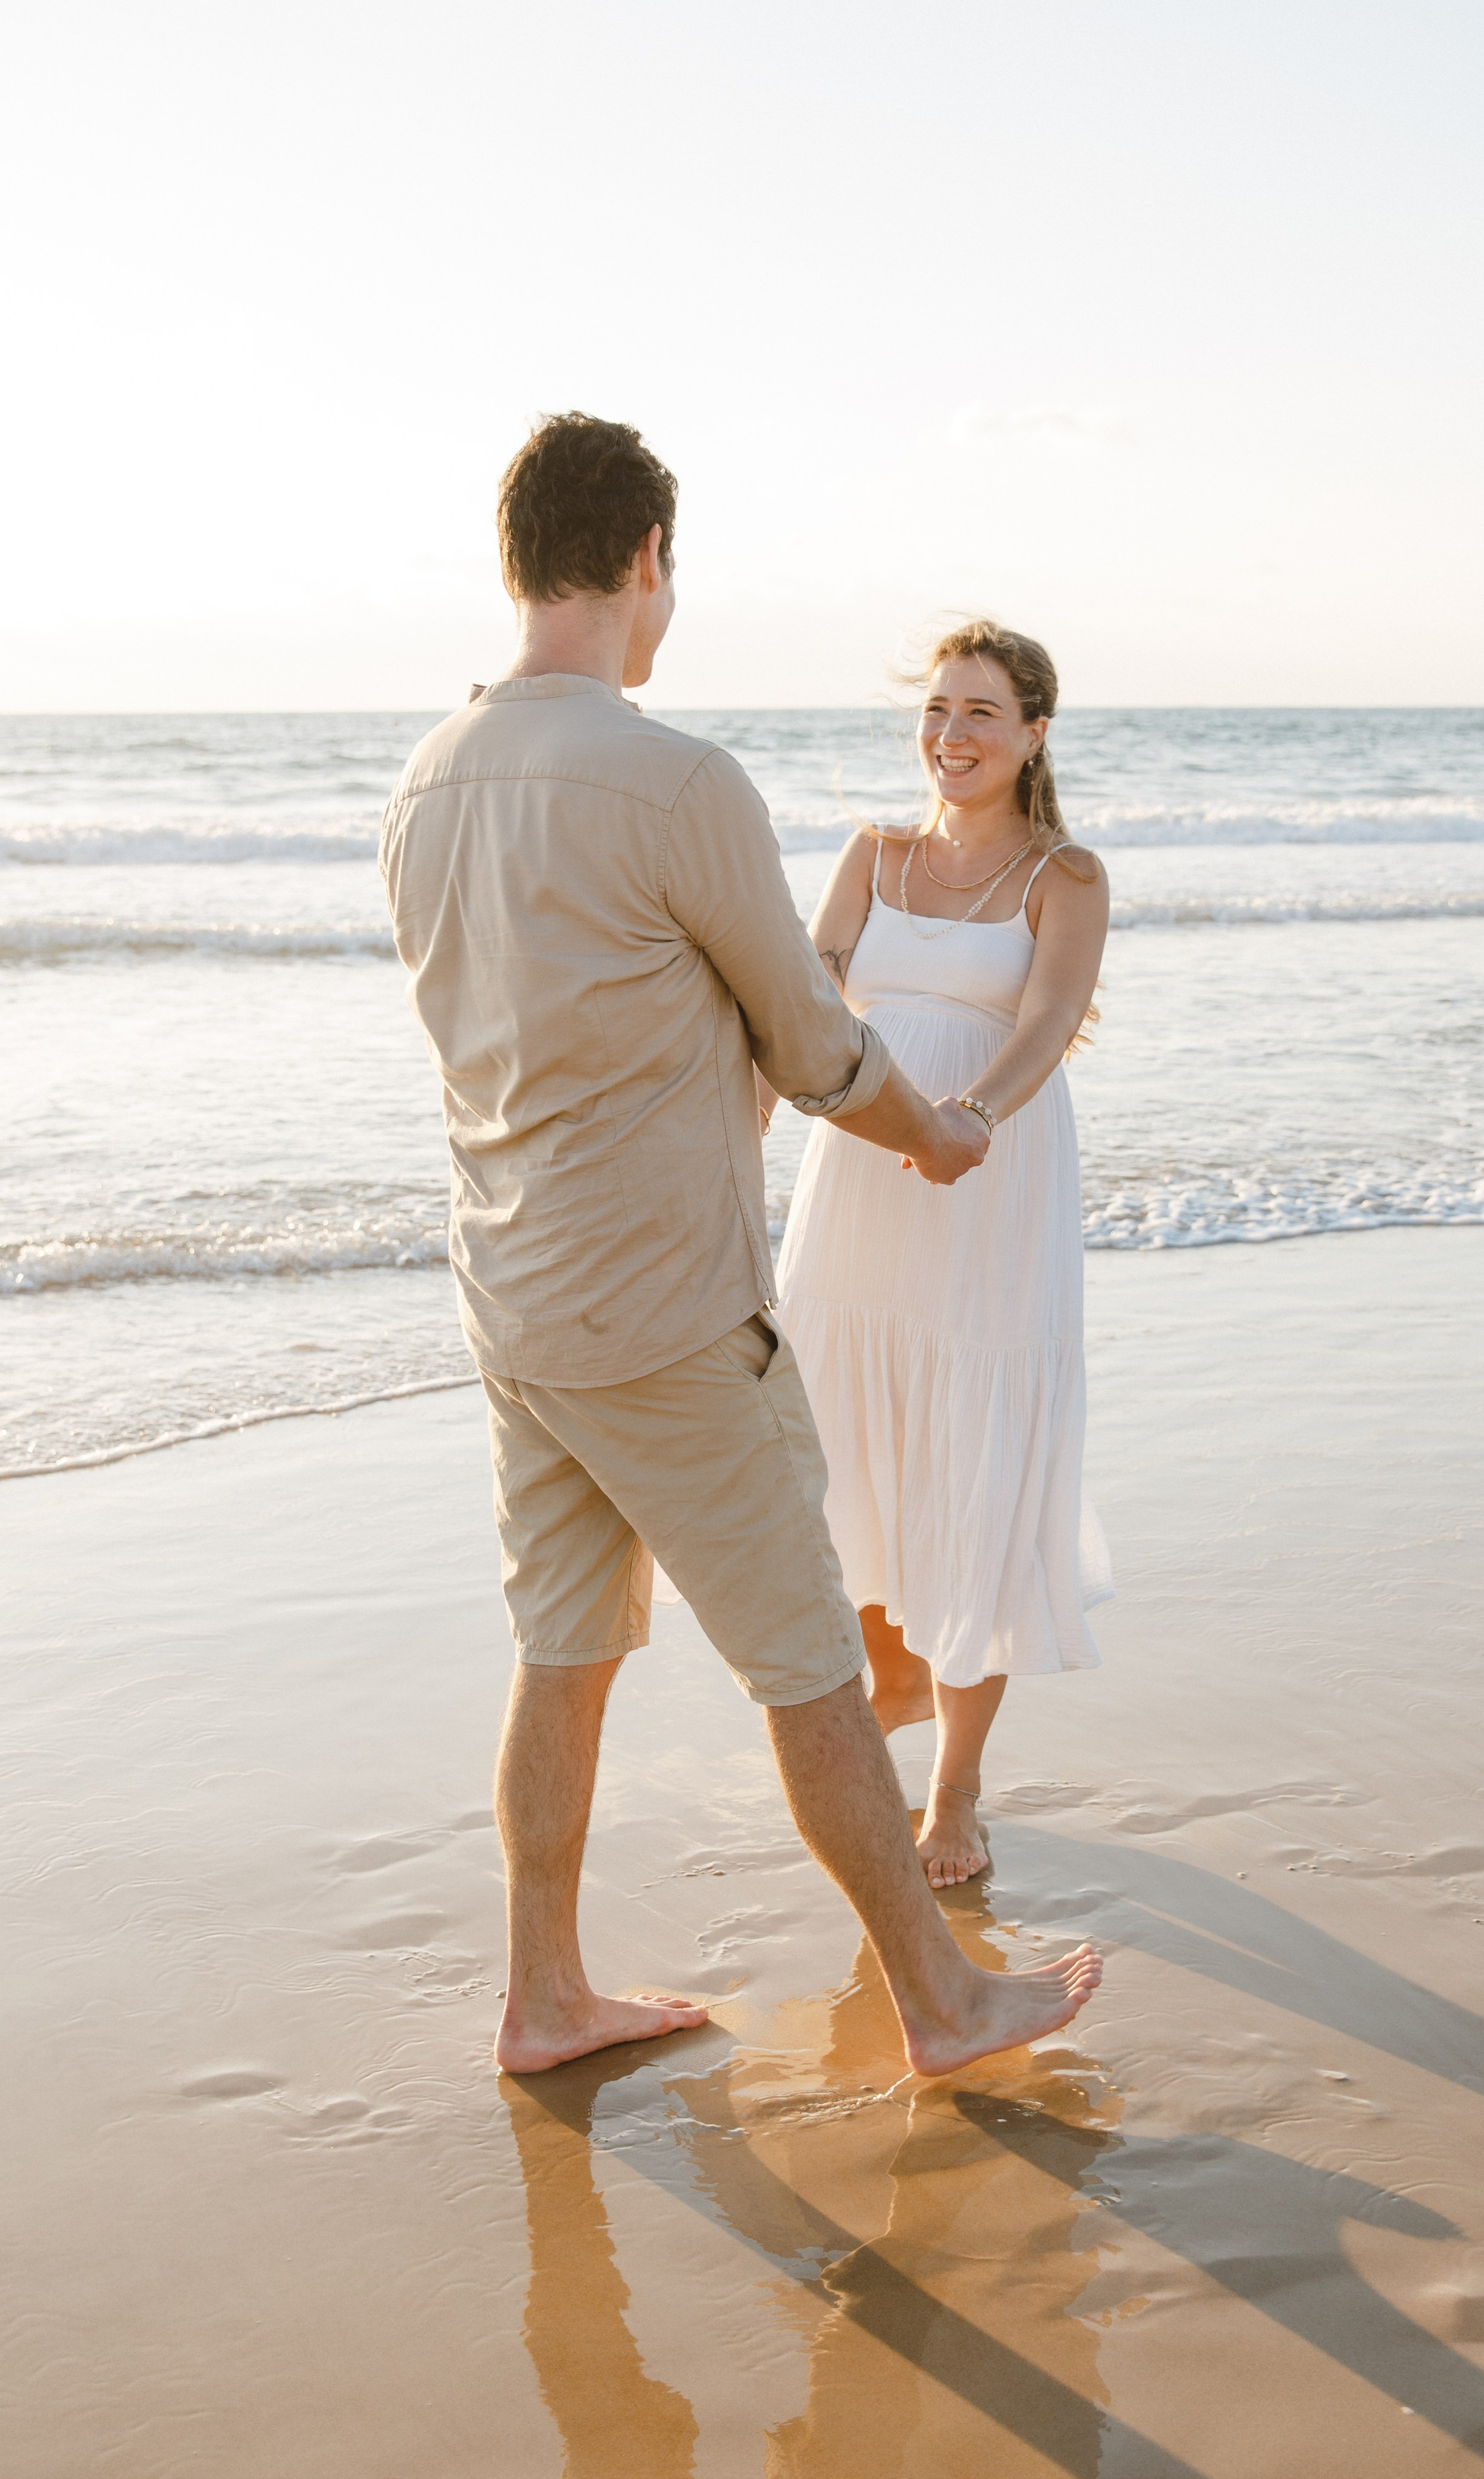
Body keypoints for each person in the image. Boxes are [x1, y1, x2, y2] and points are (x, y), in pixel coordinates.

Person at [380, 415, 1101, 2076]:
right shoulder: (677, 780)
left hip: (510, 1297)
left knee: (561, 1653)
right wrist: (933, 1130)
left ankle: (544, 1998)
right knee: (809, 1665)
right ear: (646, 559)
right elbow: (811, 1038)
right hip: (667, 1305)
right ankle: (942, 2002)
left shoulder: (424, 779)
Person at [768, 621, 1113, 1890]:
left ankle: (955, 1790)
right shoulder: (874, 852)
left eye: (980, 713)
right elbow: (804, 994)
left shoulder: (1063, 874)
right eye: (936, 709)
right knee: (836, 1435)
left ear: (1032, 734)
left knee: (975, 1455)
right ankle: (895, 1673)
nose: (951, 735)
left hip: (987, 1178)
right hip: (858, 1173)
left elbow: (1049, 1020)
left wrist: (969, 1116)